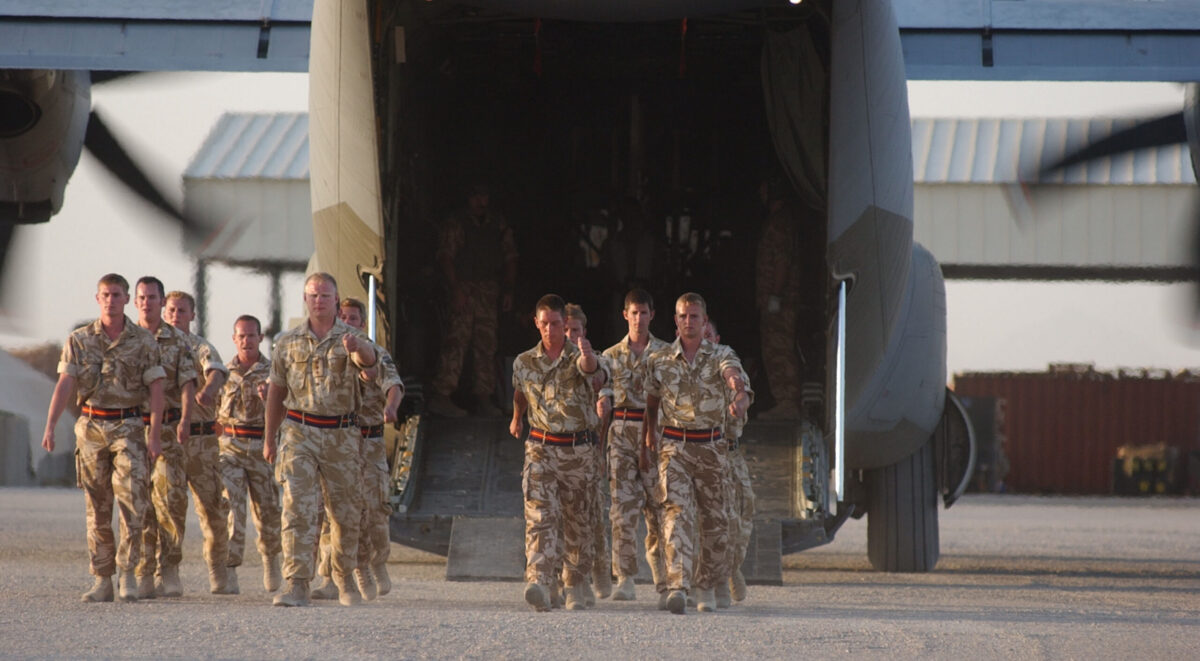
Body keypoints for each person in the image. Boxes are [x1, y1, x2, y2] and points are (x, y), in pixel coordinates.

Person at [42, 273, 166, 603]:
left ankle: (127, 574)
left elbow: (156, 389)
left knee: (131, 504)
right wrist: (51, 425)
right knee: (97, 507)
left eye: (117, 295)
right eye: (106, 295)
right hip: (92, 427)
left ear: (127, 299)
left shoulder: (143, 341)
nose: (111, 300)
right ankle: (102, 579)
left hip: (128, 427)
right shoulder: (79, 340)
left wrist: (153, 435)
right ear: (98, 299)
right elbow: (65, 384)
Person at [264, 272, 377, 607]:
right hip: (299, 432)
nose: (318, 301)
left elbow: (369, 364)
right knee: (297, 507)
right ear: (305, 298)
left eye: (325, 296)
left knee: (345, 513)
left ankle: (342, 576)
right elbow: (276, 391)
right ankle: (297, 582)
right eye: (313, 295)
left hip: (341, 435)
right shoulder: (288, 343)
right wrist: (269, 437)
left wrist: (359, 351)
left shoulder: (353, 337)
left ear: (336, 299)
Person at [644, 292, 749, 614]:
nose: (689, 322)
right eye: (683, 316)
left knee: (715, 522)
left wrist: (738, 392)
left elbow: (735, 375)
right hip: (674, 448)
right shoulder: (659, 360)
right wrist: (648, 437)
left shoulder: (720, 355)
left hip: (712, 449)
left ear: (705, 322)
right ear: (675, 322)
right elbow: (651, 401)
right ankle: (678, 586)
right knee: (676, 516)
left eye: (694, 317)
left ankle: (709, 583)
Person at [510, 294, 604, 612]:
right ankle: (540, 581)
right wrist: (515, 418)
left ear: (566, 325)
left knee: (578, 520)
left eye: (556, 324)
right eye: (545, 323)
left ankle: (575, 582)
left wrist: (588, 356)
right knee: (540, 518)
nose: (550, 329)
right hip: (541, 448)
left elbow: (594, 374)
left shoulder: (580, 355)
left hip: (578, 451)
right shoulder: (524, 361)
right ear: (536, 323)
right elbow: (520, 392)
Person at [310, 298, 404, 602]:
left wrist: (391, 406)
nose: (348, 323)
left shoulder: (373, 352)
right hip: (339, 444)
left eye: (353, 318)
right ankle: (337, 574)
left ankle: (376, 562)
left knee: (374, 509)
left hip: (370, 444)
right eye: (343, 317)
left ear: (361, 323)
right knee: (336, 512)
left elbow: (392, 383)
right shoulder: (327, 355)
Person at [597, 288, 670, 605]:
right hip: (623, 434)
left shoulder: (667, 354)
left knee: (661, 509)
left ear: (652, 315)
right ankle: (625, 578)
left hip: (656, 434)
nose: (639, 319)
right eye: (633, 313)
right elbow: (601, 394)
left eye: (644, 313)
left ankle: (665, 575)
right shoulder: (610, 356)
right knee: (622, 511)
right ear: (624, 315)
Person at [134, 276, 202, 598]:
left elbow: (189, 382)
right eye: (142, 297)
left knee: (172, 500)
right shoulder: (126, 339)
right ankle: (143, 571)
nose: (147, 302)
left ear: (162, 302)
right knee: (138, 504)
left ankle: (170, 567)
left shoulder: (178, 341)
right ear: (136, 302)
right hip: (132, 429)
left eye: (152, 297)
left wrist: (186, 419)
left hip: (170, 429)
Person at [164, 290, 234, 595]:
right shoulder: (154, 347)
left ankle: (218, 569)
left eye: (182, 311)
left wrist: (208, 390)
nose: (176, 315)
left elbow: (216, 370)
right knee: (169, 508)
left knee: (213, 509)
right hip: (168, 436)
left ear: (192, 315)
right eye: (172, 310)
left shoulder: (201, 347)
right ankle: (168, 570)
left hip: (202, 439)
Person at [427, 184, 518, 418]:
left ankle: (484, 399)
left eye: (484, 195)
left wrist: (508, 289)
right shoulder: (457, 223)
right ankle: (442, 396)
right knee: (456, 341)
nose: (481, 201)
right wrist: (456, 289)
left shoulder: (497, 224)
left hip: (488, 290)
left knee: (486, 345)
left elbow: (510, 257)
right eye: (476, 196)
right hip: (464, 288)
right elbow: (446, 257)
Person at [216, 314, 283, 593]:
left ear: (260, 338)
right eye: (241, 336)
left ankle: (270, 560)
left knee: (267, 510)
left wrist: (269, 399)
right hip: (230, 447)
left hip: (261, 447)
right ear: (234, 339)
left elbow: (287, 411)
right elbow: (214, 414)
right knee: (231, 507)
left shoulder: (273, 373)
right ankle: (229, 568)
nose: (246, 341)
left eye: (251, 335)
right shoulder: (223, 373)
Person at [704, 319, 755, 607]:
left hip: (731, 456)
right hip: (704, 455)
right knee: (709, 523)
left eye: (711, 335)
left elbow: (743, 391)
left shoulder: (729, 363)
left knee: (740, 523)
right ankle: (715, 579)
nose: (707, 340)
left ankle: (733, 566)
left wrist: (739, 403)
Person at [564, 303, 612, 604]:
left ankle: (599, 569)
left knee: (591, 517)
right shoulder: (549, 363)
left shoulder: (596, 363)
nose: (570, 336)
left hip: (588, 450)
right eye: (566, 330)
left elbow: (604, 395)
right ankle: (566, 580)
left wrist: (602, 450)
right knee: (558, 519)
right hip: (555, 451)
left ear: (585, 332)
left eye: (576, 331)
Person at [756, 178, 802, 419]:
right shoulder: (778, 221)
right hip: (775, 301)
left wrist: (775, 294)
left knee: (779, 349)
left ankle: (787, 401)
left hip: (780, 303)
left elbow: (782, 261)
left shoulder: (780, 223)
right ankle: (784, 401)